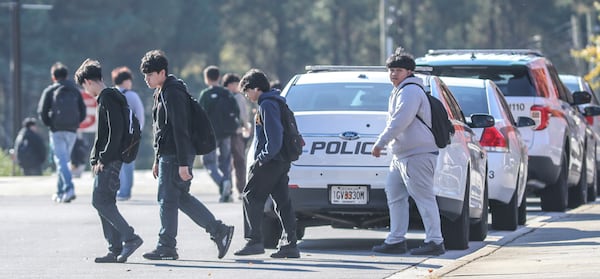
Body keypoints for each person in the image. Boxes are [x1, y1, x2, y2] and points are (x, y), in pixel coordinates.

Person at [139, 50, 234, 260]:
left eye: (150, 74)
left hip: (176, 155)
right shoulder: (162, 91)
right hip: (169, 154)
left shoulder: (173, 93)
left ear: (162, 72)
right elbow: (161, 130)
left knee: (167, 199)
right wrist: (156, 158)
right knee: (179, 198)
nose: (146, 79)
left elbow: (180, 129)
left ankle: (166, 246)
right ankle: (219, 231)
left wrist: (183, 163)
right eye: (144, 75)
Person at [370, 48, 445, 256]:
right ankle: (396, 240)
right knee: (395, 195)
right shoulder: (399, 90)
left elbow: (400, 121)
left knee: (424, 198)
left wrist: (380, 143)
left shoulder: (411, 91)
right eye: (391, 70)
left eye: (399, 70)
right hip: (401, 155)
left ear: (409, 72)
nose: (394, 74)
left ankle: (435, 241)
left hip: (418, 154)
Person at [74, 59, 143, 263]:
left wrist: (102, 158)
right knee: (104, 202)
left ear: (88, 81)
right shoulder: (108, 97)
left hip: (111, 160)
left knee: (100, 201)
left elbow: (115, 133)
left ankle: (130, 238)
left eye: (84, 86)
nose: (86, 91)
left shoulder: (108, 98)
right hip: (107, 159)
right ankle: (114, 249)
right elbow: (104, 134)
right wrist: (95, 157)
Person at [234, 69, 300, 259]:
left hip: (271, 160)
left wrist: (261, 159)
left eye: (247, 91)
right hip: (281, 161)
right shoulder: (277, 101)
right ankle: (290, 244)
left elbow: (274, 138)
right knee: (282, 202)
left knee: (250, 196)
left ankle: (254, 241)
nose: (247, 96)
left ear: (256, 88)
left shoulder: (267, 104)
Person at [37, 62, 86, 203]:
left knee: (61, 160)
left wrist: (50, 124)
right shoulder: (75, 90)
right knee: (64, 160)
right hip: (71, 131)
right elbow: (82, 111)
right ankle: (60, 192)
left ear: (54, 77)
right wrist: (76, 124)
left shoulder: (50, 90)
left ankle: (69, 188)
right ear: (66, 75)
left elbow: (42, 111)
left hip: (56, 130)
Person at [198, 65, 239, 202]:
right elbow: (236, 111)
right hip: (227, 133)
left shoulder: (206, 95)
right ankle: (227, 192)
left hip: (210, 134)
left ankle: (222, 183)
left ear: (206, 79)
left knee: (209, 162)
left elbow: (199, 115)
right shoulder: (226, 93)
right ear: (219, 77)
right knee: (226, 162)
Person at [111, 66, 145, 201]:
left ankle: (118, 190)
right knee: (128, 164)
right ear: (125, 81)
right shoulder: (132, 96)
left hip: (115, 136)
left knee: (115, 163)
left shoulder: (111, 95)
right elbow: (140, 116)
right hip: (130, 136)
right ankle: (126, 191)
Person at [222, 73, 252, 198]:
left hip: (223, 134)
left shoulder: (221, 96)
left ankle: (226, 189)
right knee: (239, 161)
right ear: (230, 85)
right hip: (237, 133)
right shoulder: (239, 98)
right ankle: (241, 190)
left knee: (225, 162)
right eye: (236, 84)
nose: (238, 87)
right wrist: (247, 126)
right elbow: (244, 115)